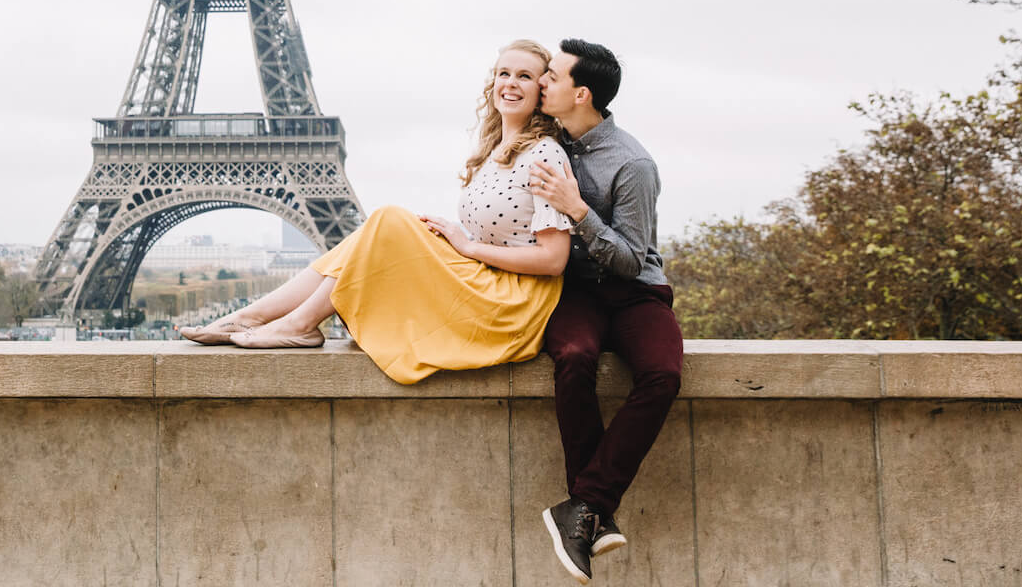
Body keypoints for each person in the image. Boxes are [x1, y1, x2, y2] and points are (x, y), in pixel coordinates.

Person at [177, 40, 575, 384]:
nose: (510, 83)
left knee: (388, 220)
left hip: (512, 304)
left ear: (541, 91)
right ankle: (251, 316)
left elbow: (554, 260)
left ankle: (298, 324)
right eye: (504, 72)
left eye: (525, 76)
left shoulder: (543, 153)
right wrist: (457, 240)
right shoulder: (493, 152)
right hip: (486, 281)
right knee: (374, 233)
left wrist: (468, 248)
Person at [526, 38, 681, 585]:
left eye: (553, 76)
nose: (543, 82)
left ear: (581, 93)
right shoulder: (543, 144)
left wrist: (578, 210)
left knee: (662, 375)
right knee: (573, 357)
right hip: (577, 294)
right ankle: (594, 512)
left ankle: (584, 505)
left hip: (634, 290)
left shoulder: (633, 163)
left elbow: (629, 260)